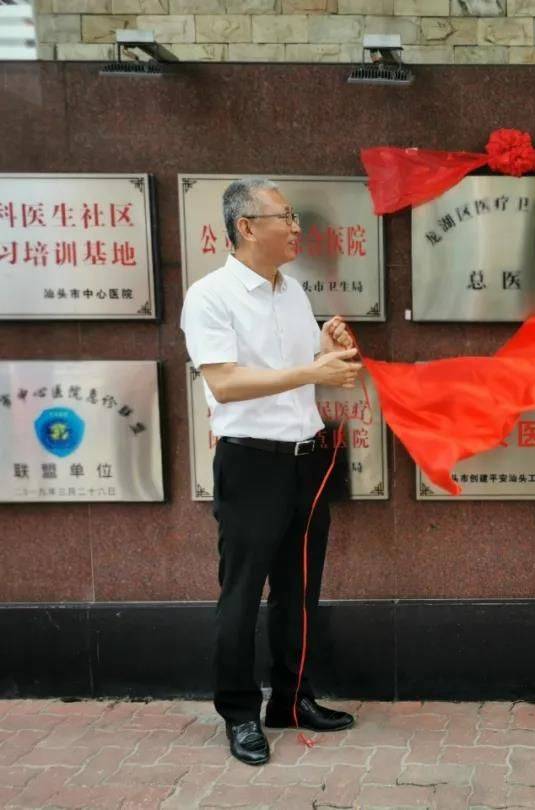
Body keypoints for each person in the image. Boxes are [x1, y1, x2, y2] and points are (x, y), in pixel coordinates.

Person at [180, 178, 363, 766]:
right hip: (251, 463)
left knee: (298, 591)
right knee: (241, 595)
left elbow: (300, 364)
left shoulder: (293, 290)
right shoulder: (210, 296)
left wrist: (327, 349)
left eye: (292, 215)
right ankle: (239, 713)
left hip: (305, 462)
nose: (294, 226)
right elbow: (226, 382)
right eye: (282, 215)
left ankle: (292, 698)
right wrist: (313, 374)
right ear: (245, 227)